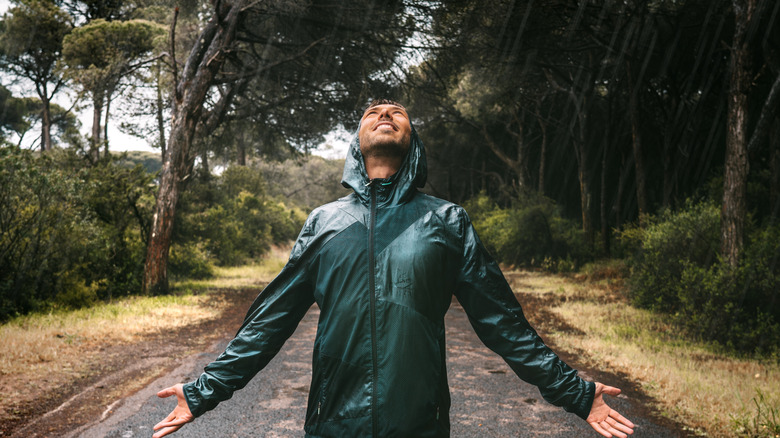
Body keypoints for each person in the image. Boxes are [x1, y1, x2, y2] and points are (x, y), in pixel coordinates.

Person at [153, 99, 635, 438]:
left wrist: (576, 392)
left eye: (397, 112)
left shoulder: (447, 221)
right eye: (372, 113)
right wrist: (202, 391)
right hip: (332, 422)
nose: (384, 114)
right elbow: (270, 321)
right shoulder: (325, 221)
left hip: (420, 422)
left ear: (413, 141)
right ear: (355, 143)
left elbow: (503, 323)